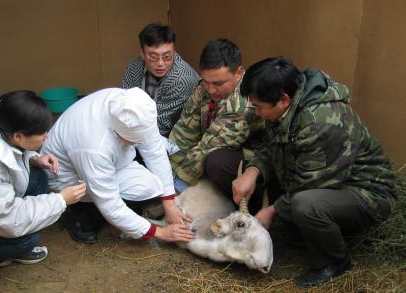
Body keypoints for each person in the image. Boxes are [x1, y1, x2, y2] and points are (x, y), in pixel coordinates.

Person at [234, 57, 397, 288]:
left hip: (367, 192)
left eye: (259, 107)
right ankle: (307, 234)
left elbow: (312, 185)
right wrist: (252, 171)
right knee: (295, 208)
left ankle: (334, 262)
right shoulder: (286, 107)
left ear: (283, 100)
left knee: (305, 205)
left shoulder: (320, 122)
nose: (257, 113)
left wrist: (272, 210)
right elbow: (274, 149)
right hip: (324, 181)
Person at [0, 91, 86, 289]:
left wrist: (33, 157)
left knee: (38, 177)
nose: (47, 136)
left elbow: (9, 151)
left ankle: (0, 250)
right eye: (41, 133)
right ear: (18, 136)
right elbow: (8, 219)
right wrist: (61, 200)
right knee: (26, 238)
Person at [41, 87, 195, 244]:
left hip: (107, 160)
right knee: (103, 204)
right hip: (66, 175)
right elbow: (109, 203)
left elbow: (155, 151)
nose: (137, 143)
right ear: (119, 132)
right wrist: (160, 232)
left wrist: (169, 203)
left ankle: (119, 212)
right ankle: (78, 214)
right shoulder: (94, 145)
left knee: (150, 186)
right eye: (133, 141)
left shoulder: (134, 106)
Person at [169, 38, 264, 204]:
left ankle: (248, 204)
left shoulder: (243, 103)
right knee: (177, 117)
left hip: (255, 156)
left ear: (239, 73)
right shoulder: (206, 87)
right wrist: (166, 177)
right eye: (206, 81)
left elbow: (208, 146)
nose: (210, 89)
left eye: (218, 83)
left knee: (216, 161)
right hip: (215, 136)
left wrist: (174, 192)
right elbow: (184, 130)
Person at [122, 22, 199, 137]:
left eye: (167, 56)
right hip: (134, 130)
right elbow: (124, 107)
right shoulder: (133, 68)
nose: (160, 63)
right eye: (153, 57)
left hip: (171, 136)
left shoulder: (182, 79)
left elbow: (160, 126)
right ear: (142, 53)